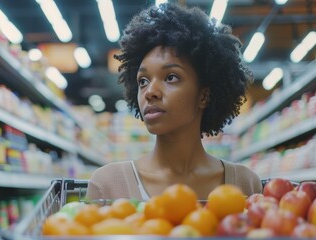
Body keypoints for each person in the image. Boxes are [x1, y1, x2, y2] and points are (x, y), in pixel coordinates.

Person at [86, 2, 262, 201]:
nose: (150, 92)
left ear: (204, 96)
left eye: (171, 77)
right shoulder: (108, 185)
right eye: (143, 81)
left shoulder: (245, 184)